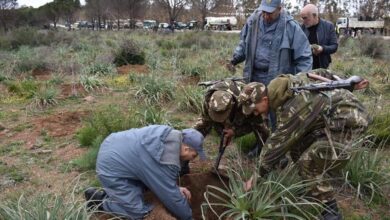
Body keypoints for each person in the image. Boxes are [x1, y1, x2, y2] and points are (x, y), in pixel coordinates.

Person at [239, 75, 371, 220]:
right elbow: (320, 72)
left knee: (308, 163)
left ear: (264, 100)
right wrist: (348, 83)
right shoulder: (286, 86)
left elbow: (276, 145)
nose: (256, 113)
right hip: (331, 118)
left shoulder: (294, 107)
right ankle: (312, 187)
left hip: (349, 122)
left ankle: (331, 211)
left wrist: (254, 179)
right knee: (297, 147)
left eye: (255, 110)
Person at [84, 125, 205, 220]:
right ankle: (100, 202)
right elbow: (171, 197)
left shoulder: (168, 135)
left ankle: (118, 194)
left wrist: (175, 188)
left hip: (115, 145)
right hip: (111, 166)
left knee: (145, 190)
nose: (193, 158)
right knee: (138, 213)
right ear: (186, 149)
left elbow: (156, 174)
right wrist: (189, 217)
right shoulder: (164, 160)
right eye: (194, 155)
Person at [227, 0, 312, 85]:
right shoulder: (253, 22)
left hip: (277, 84)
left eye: (270, 13)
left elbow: (304, 58)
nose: (266, 16)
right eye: (264, 12)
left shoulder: (291, 27)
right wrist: (234, 59)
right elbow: (244, 44)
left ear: (279, 9)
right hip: (252, 78)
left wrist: (298, 81)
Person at [194, 80, 269, 157]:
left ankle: (262, 153)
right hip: (227, 112)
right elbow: (202, 123)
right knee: (195, 135)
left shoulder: (245, 100)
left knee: (263, 130)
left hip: (241, 110)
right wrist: (191, 142)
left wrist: (234, 130)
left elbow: (254, 122)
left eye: (223, 115)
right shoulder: (208, 100)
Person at [300, 4, 338, 69]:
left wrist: (322, 49)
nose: (303, 21)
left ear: (315, 16)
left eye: (305, 18)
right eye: (302, 18)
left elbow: (334, 46)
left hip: (322, 67)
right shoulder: (301, 28)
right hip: (305, 67)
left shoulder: (328, 26)